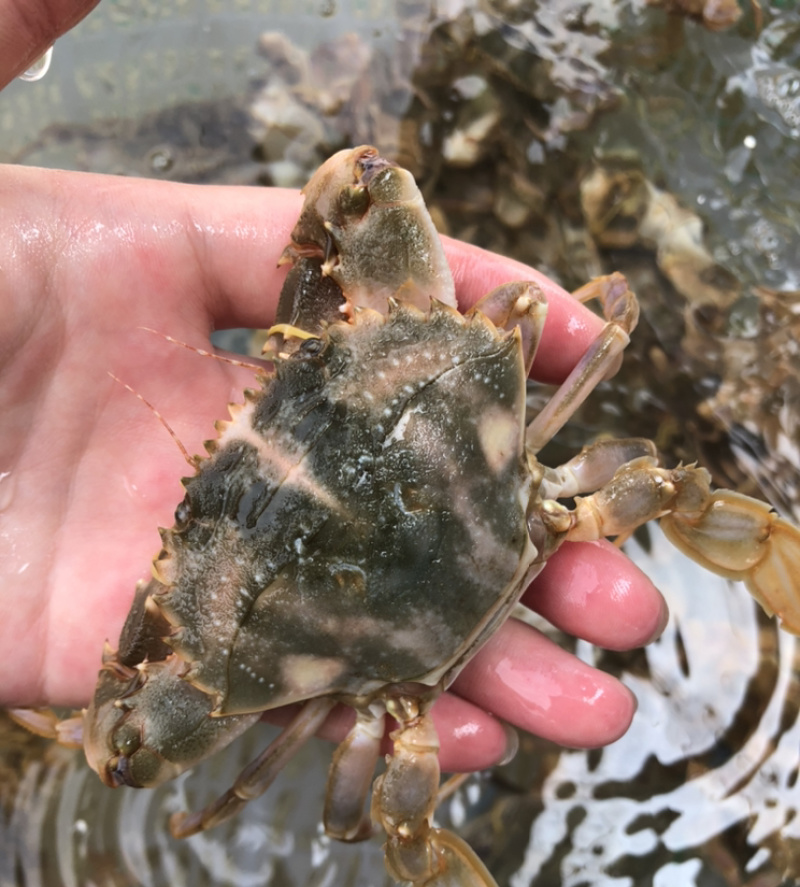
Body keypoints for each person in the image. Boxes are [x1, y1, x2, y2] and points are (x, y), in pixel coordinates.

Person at [0, 0, 667, 773]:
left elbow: (124, 748)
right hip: (556, 502)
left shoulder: (208, 643)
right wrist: (316, 363)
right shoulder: (453, 341)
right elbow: (362, 189)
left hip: (390, 697)